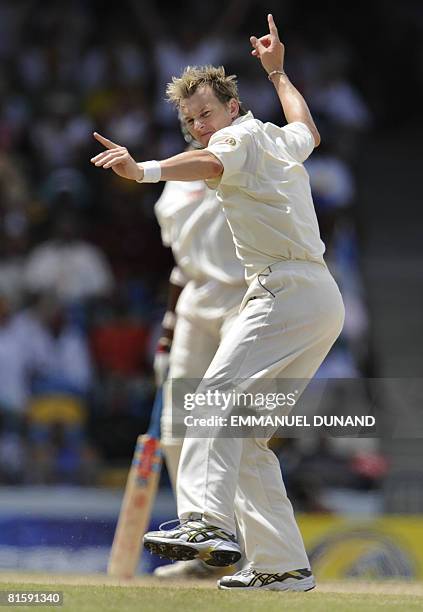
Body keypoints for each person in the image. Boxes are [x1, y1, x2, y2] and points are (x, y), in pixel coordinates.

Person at [91, 15, 344, 592]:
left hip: (280, 291)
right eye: (189, 120)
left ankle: (205, 523)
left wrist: (143, 169)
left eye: (206, 113)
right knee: (246, 434)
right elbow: (308, 128)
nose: (199, 126)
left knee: (210, 400)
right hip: (317, 297)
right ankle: (283, 564)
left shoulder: (238, 137)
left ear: (232, 106)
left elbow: (210, 163)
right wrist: (279, 73)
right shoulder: (277, 139)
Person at [152, 162, 246, 578]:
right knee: (176, 427)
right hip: (194, 305)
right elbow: (180, 265)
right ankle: (202, 548)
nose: (197, 127)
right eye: (190, 120)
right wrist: (167, 334)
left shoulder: (245, 161)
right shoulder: (172, 185)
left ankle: (248, 547)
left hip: (244, 300)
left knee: (226, 425)